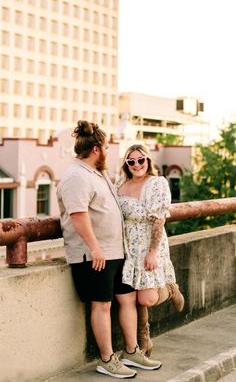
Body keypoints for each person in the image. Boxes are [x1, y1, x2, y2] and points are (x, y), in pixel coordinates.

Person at [56, 121, 162, 379]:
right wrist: (95, 248)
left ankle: (131, 351)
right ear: (95, 149)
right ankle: (107, 359)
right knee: (101, 306)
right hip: (94, 256)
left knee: (127, 300)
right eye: (106, 148)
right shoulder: (75, 176)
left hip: (116, 252)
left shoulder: (97, 172)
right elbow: (78, 214)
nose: (108, 153)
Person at [116, 144, 185, 357]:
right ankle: (143, 340)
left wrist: (153, 252)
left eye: (140, 160)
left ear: (148, 160)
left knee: (146, 298)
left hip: (149, 245)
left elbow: (159, 221)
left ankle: (171, 289)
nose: (136, 164)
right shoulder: (120, 183)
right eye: (131, 161)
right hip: (128, 247)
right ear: (126, 164)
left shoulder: (157, 183)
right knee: (134, 295)